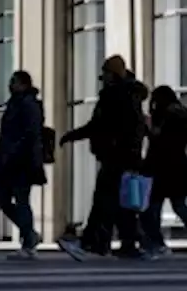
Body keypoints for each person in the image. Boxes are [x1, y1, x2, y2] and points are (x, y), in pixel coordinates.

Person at [58, 55, 145, 261]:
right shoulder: (131, 95)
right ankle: (127, 245)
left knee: (103, 201)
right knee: (124, 204)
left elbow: (99, 125)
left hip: (115, 156)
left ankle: (94, 243)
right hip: (128, 156)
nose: (102, 78)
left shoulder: (114, 95)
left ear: (112, 74)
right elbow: (136, 127)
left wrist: (72, 135)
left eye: (105, 73)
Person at [140, 85, 187, 259]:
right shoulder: (181, 114)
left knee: (152, 207)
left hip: (162, 167)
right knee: (179, 206)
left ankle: (157, 243)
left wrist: (148, 126)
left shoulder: (165, 116)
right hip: (177, 166)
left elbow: (158, 140)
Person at [0, 70, 46, 260]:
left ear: (23, 84)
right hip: (10, 160)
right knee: (3, 199)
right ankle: (30, 234)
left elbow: (31, 133)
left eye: (13, 82)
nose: (10, 85)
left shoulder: (28, 104)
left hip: (22, 161)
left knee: (21, 199)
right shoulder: (15, 103)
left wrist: (15, 151)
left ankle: (28, 242)